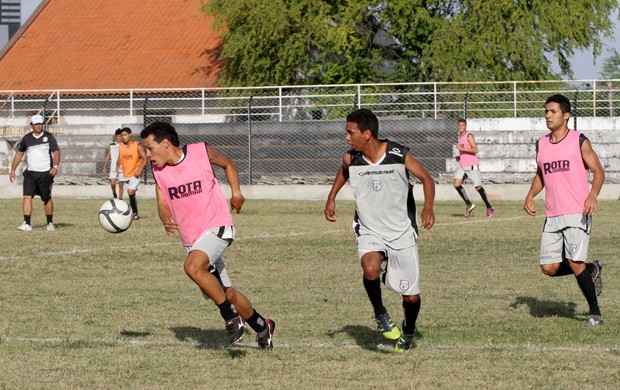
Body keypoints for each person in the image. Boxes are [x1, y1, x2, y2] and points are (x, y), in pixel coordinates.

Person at [140, 121, 276, 349]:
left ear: (165, 143)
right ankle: (262, 325)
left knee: (192, 267)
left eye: (149, 148)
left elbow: (228, 164)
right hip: (192, 240)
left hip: (217, 226)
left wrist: (236, 192)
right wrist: (165, 218)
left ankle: (231, 318)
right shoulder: (158, 171)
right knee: (226, 293)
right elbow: (162, 203)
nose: (147, 154)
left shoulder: (200, 151)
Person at [324, 108, 435, 352]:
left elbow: (427, 178)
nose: (347, 137)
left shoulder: (398, 154)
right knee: (370, 267)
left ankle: (408, 330)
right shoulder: (351, 158)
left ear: (367, 133)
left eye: (350, 132)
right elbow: (344, 172)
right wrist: (331, 197)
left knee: (411, 297)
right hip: (369, 229)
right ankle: (380, 313)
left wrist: (428, 208)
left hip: (401, 231)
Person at [524, 94, 604, 327]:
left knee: (574, 261)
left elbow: (598, 171)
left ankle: (595, 314)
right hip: (552, 214)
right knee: (548, 268)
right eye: (546, 111)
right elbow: (541, 173)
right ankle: (592, 268)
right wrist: (530, 195)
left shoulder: (579, 140)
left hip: (577, 211)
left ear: (566, 115)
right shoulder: (541, 143)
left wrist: (592, 195)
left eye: (553, 111)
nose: (548, 116)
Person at [9, 114, 60, 231]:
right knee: (27, 197)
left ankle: (50, 223)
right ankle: (27, 223)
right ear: (31, 125)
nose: (38, 126)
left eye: (40, 123)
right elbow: (19, 154)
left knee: (46, 198)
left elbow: (56, 152)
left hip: (45, 173)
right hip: (30, 174)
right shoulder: (27, 138)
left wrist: (55, 166)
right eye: (36, 124)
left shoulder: (49, 137)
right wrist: (12, 170)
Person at [453, 118, 494, 218]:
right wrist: (460, 156)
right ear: (457, 126)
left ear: (465, 126)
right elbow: (464, 150)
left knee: (477, 187)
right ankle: (469, 204)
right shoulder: (459, 136)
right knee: (456, 184)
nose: (461, 127)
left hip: (471, 165)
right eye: (459, 125)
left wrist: (462, 149)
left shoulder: (469, 135)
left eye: (462, 125)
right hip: (463, 165)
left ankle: (489, 207)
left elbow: (475, 149)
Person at [116, 127, 147, 219]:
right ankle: (133, 204)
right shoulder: (121, 146)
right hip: (126, 173)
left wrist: (140, 169)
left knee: (130, 191)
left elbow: (145, 158)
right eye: (122, 135)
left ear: (130, 134)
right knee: (130, 193)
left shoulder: (137, 145)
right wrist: (118, 165)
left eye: (125, 135)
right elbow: (120, 156)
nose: (123, 137)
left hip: (135, 173)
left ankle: (135, 214)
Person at [102, 128, 125, 199]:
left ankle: (120, 198)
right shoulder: (111, 145)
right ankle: (114, 194)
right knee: (112, 183)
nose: (119, 138)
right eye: (118, 136)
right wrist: (104, 166)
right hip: (113, 167)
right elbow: (108, 156)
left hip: (122, 167)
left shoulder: (124, 145)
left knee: (121, 184)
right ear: (115, 136)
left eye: (120, 136)